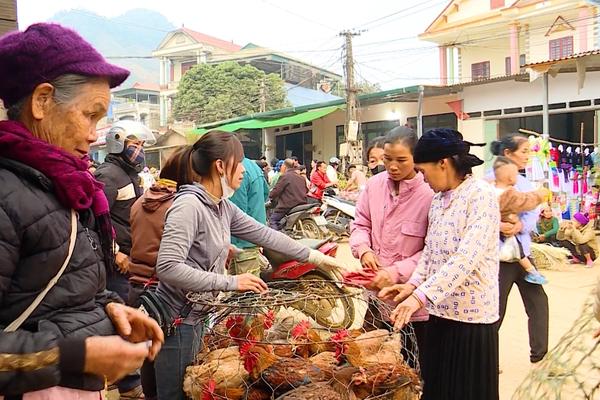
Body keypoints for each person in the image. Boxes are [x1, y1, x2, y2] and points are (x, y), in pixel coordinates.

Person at [0, 22, 163, 397]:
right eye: (90, 115)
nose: (94, 135)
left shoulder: (64, 185)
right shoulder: (8, 193)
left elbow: (63, 289)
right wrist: (75, 355)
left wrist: (109, 308)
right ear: (42, 101)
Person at [154, 131, 343, 399]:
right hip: (176, 321)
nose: (244, 170)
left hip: (195, 316)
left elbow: (264, 234)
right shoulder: (189, 206)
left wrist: (313, 256)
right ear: (220, 166)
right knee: (174, 395)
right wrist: (231, 282)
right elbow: (168, 266)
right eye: (239, 161)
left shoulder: (220, 207)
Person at [380, 128, 500, 400]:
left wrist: (419, 297)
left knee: (468, 391)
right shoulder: (437, 200)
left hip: (472, 320)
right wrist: (410, 286)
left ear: (443, 164)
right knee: (438, 387)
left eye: (423, 171)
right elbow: (431, 252)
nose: (423, 178)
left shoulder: (481, 195)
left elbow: (465, 258)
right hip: (440, 312)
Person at [349, 126, 434, 365]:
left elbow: (432, 251)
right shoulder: (374, 186)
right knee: (369, 367)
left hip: (414, 304)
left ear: (416, 159)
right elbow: (360, 224)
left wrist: (396, 273)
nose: (393, 166)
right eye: (387, 159)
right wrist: (363, 249)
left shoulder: (429, 193)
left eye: (401, 160)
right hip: (376, 299)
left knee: (412, 368)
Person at [95, 120, 155, 397]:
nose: (139, 151)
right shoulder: (108, 175)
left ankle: (128, 377)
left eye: (141, 145)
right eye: (134, 144)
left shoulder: (128, 175)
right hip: (115, 262)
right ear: (117, 142)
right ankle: (129, 384)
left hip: (130, 258)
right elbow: (97, 219)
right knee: (122, 317)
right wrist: (115, 252)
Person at [129, 147, 192, 400]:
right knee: (174, 374)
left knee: (148, 358)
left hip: (137, 290)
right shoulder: (179, 207)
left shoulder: (140, 201)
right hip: (164, 294)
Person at [490, 134, 549, 364]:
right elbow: (480, 214)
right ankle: (488, 360)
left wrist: (520, 225)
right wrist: (500, 224)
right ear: (507, 153)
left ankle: (540, 355)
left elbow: (532, 215)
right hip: (498, 257)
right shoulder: (487, 182)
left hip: (521, 251)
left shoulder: (522, 182)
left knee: (538, 302)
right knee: (495, 311)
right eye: (523, 151)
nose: (527, 156)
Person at [493, 157, 548, 285]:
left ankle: (532, 272)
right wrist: (540, 195)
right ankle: (532, 272)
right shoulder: (510, 194)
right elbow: (526, 201)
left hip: (496, 237)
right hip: (509, 232)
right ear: (511, 178)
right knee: (519, 252)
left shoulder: (488, 190)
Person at [229, 157, 270, 276]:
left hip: (241, 241)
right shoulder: (253, 166)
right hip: (253, 236)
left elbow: (236, 213)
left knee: (248, 291)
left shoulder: (235, 171)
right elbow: (266, 193)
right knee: (234, 288)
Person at [269, 158, 308, 230]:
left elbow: (276, 190)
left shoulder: (285, 176)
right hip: (302, 203)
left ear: (284, 166)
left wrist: (270, 195)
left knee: (273, 220)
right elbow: (306, 190)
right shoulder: (301, 178)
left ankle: (277, 238)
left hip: (288, 206)